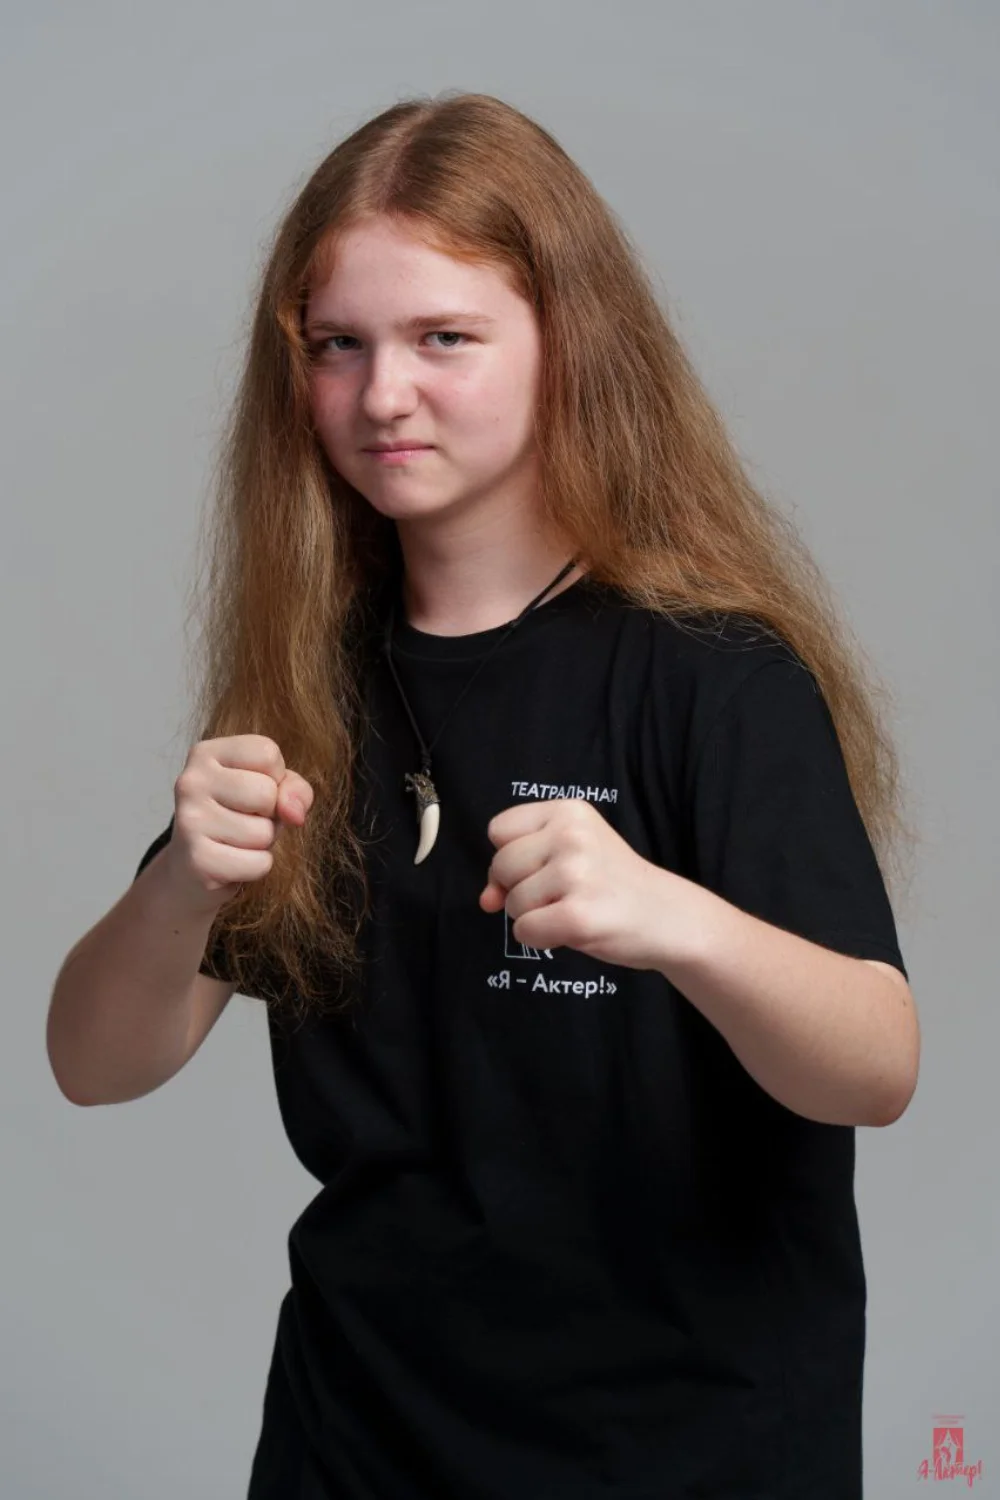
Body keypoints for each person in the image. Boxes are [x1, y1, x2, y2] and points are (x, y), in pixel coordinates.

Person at [46, 91, 920, 1500]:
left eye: (443, 337)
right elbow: (93, 1066)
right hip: (356, 1445)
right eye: (339, 345)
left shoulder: (715, 674)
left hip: (686, 1454)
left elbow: (877, 1065)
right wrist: (177, 890)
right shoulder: (308, 681)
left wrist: (675, 919)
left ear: (569, 341)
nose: (382, 394)